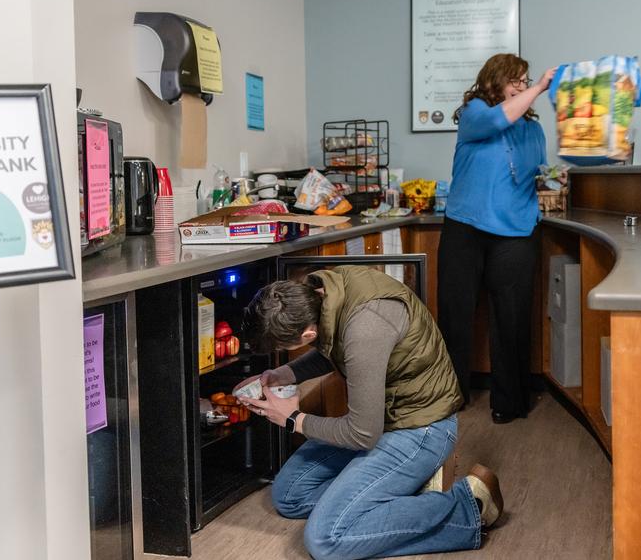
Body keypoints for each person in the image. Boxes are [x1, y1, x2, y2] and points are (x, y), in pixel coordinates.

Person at [236, 265, 504, 560]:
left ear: (308, 333)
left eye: (286, 347)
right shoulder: (323, 291)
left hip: (420, 429)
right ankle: (393, 498)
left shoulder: (366, 325)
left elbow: (362, 433)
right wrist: (282, 374)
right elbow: (337, 348)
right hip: (381, 419)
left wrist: (293, 419)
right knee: (289, 496)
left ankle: (469, 505)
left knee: (326, 539)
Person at [438, 53, 558, 424]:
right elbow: (497, 119)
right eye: (516, 81)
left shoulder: (532, 129)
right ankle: (449, 396)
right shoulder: (475, 112)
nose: (522, 87)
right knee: (455, 317)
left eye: (526, 81)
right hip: (465, 227)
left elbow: (538, 173)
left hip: (516, 231)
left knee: (512, 319)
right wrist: (539, 87)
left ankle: (510, 401)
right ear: (494, 81)